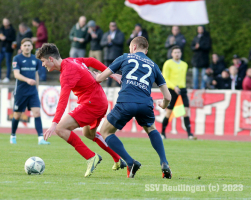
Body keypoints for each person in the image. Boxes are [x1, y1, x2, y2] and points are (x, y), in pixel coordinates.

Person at [36, 43, 126, 177]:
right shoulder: (71, 60)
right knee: (89, 134)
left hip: (92, 103)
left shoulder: (67, 73)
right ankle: (117, 158)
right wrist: (112, 74)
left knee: (61, 129)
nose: (43, 65)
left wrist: (54, 123)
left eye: (43, 61)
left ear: (51, 59)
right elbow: (91, 61)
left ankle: (91, 157)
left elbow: (63, 100)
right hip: (99, 100)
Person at [95, 36, 172, 179]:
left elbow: (100, 79)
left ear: (134, 47)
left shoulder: (125, 57)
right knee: (151, 129)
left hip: (126, 101)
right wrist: (163, 105)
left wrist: (97, 75)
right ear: (146, 51)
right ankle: (164, 162)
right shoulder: (154, 65)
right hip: (145, 103)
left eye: (130, 48)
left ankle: (130, 162)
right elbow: (168, 97)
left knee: (105, 132)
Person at [10, 38, 50, 145]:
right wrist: (27, 80)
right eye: (25, 45)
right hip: (21, 92)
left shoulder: (35, 59)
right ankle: (13, 135)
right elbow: (16, 74)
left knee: (37, 113)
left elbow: (36, 74)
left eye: (29, 45)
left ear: (32, 47)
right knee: (17, 115)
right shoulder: (17, 59)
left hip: (32, 92)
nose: (27, 47)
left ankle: (40, 138)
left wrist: (36, 88)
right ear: (21, 47)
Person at [161, 46, 195, 140]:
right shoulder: (168, 63)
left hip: (182, 90)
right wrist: (173, 86)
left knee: (186, 111)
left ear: (181, 53)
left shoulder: (184, 64)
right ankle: (163, 133)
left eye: (179, 52)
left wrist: (180, 87)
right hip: (172, 90)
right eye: (175, 52)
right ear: (172, 54)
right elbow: (165, 78)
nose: (177, 54)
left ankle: (189, 134)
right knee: (169, 112)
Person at [0, 18, 16, 84]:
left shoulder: (12, 30)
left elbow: (13, 39)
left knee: (8, 63)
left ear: (9, 22)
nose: (5, 23)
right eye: (4, 22)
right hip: (1, 48)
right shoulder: (1, 29)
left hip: (8, 49)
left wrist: (6, 38)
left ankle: (7, 77)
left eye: (7, 22)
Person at [100, 21, 125, 87]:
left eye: (114, 25)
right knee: (107, 71)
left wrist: (112, 40)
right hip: (107, 56)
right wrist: (108, 42)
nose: (113, 27)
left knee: (118, 71)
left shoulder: (120, 33)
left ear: (116, 26)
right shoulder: (106, 34)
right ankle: (108, 85)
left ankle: (118, 85)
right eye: (111, 25)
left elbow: (121, 42)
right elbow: (101, 43)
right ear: (109, 26)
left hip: (116, 56)